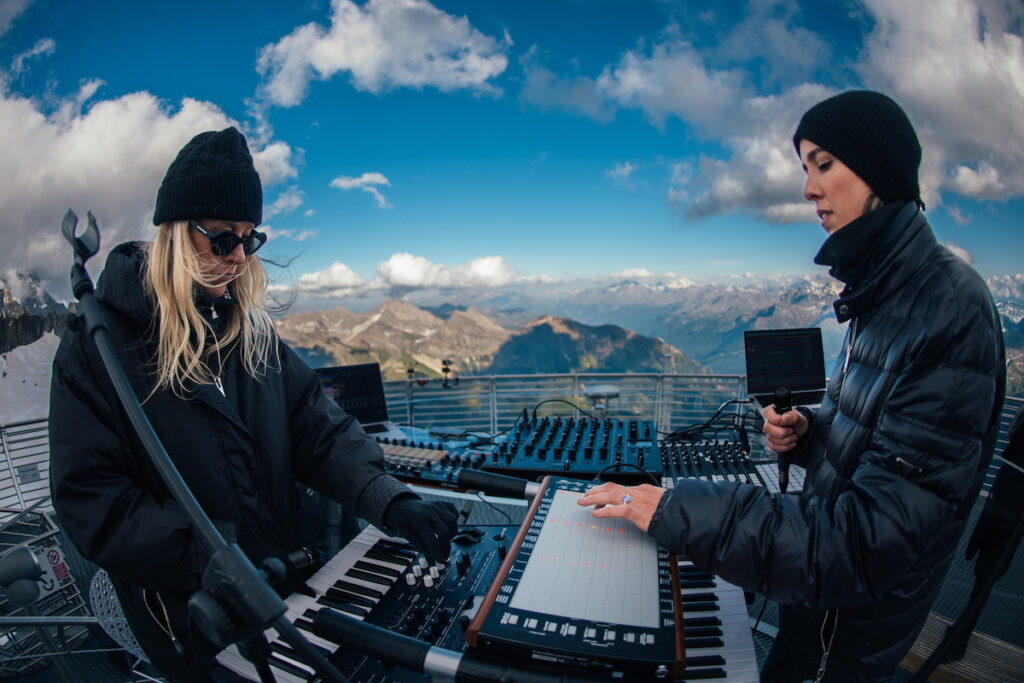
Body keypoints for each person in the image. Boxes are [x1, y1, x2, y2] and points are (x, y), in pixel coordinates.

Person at [579, 91, 1006, 681]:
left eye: (824, 163)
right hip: (820, 603)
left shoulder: (947, 307)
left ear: (879, 171)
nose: (808, 189)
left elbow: (869, 539)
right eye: (805, 167)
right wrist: (808, 433)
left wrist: (682, 511)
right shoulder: (885, 294)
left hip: (851, 627)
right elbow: (872, 442)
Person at [48, 127, 458, 681]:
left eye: (250, 238)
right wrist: (212, 559)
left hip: (280, 588)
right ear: (174, 234)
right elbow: (93, 500)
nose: (239, 257)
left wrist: (386, 498)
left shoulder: (249, 332)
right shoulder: (96, 345)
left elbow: (319, 429)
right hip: (192, 616)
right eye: (221, 239)